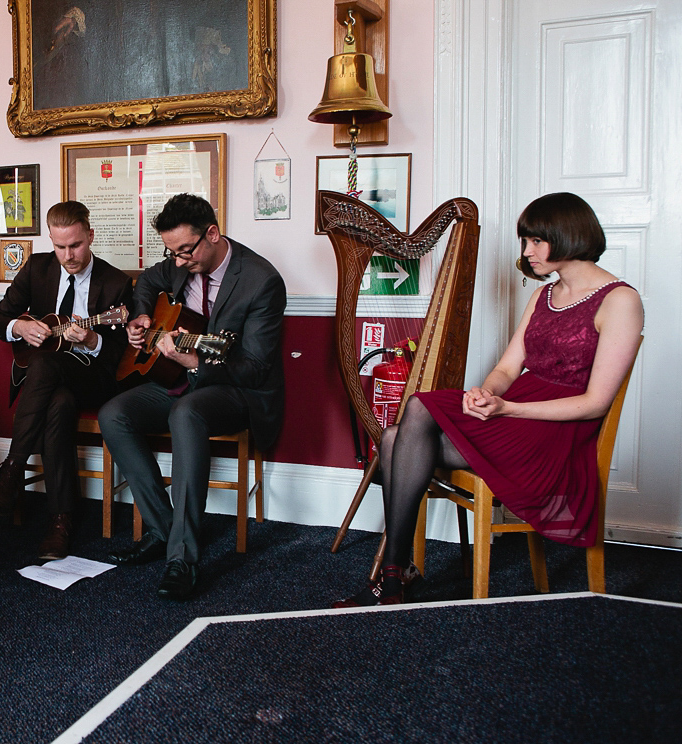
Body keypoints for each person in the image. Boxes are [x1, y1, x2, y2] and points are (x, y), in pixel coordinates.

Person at [335, 192, 643, 607]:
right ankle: (396, 573)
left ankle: (395, 576)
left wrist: (508, 407)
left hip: (557, 433)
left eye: (536, 241)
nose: (526, 252)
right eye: (525, 241)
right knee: (395, 436)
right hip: (513, 413)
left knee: (414, 414)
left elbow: (595, 402)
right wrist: (488, 392)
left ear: (568, 236)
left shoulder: (620, 300)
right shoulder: (543, 296)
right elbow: (507, 369)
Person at [99, 193, 286, 600]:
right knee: (114, 413)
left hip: (237, 391)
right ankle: (163, 530)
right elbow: (148, 280)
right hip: (185, 383)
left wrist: (192, 361)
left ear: (213, 234)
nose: (179, 263)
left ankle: (182, 557)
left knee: (186, 414)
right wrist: (143, 315)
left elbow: (254, 366)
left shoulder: (261, 281)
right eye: (172, 253)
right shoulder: (179, 261)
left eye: (185, 252)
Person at [0, 201, 133, 560]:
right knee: (59, 402)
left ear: (90, 236)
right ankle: (60, 522)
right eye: (60, 246)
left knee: (47, 368)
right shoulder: (37, 269)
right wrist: (19, 326)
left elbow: (121, 357)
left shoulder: (116, 282)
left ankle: (11, 471)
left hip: (94, 377)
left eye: (76, 245)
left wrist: (93, 340)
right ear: (51, 239)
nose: (69, 255)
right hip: (50, 384)